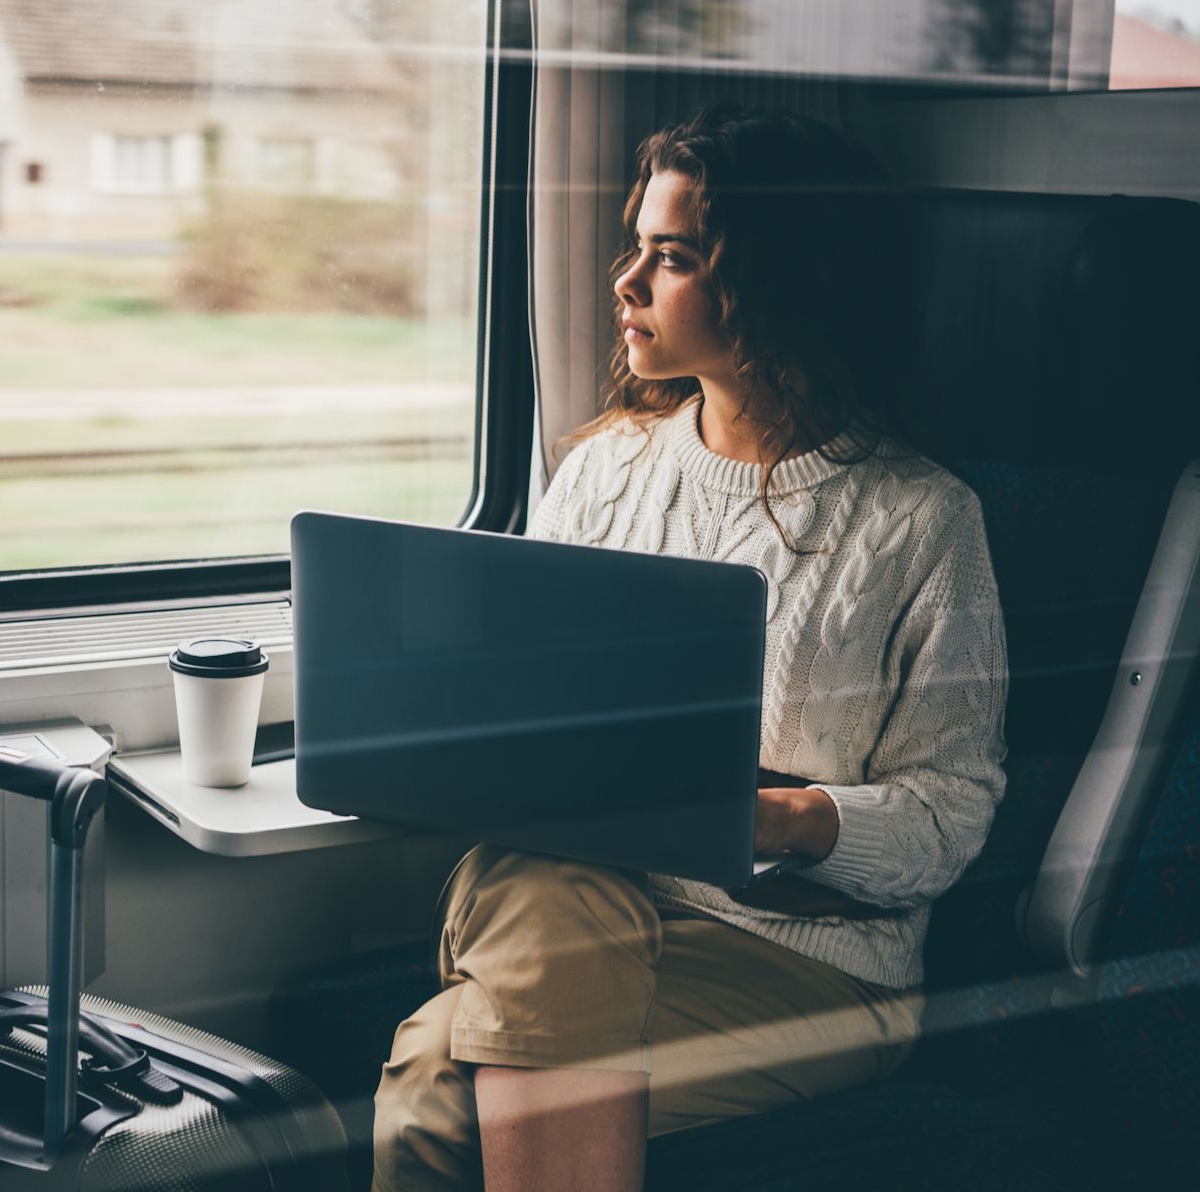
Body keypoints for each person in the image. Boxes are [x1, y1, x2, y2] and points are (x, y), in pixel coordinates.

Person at [373, 105, 1008, 1192]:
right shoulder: (602, 474)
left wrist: (780, 817)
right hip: (584, 904)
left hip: (807, 958)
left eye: (669, 258)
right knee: (542, 871)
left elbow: (951, 817)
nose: (624, 282)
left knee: (435, 1094)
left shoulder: (921, 521)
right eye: (636, 247)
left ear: (775, 285)